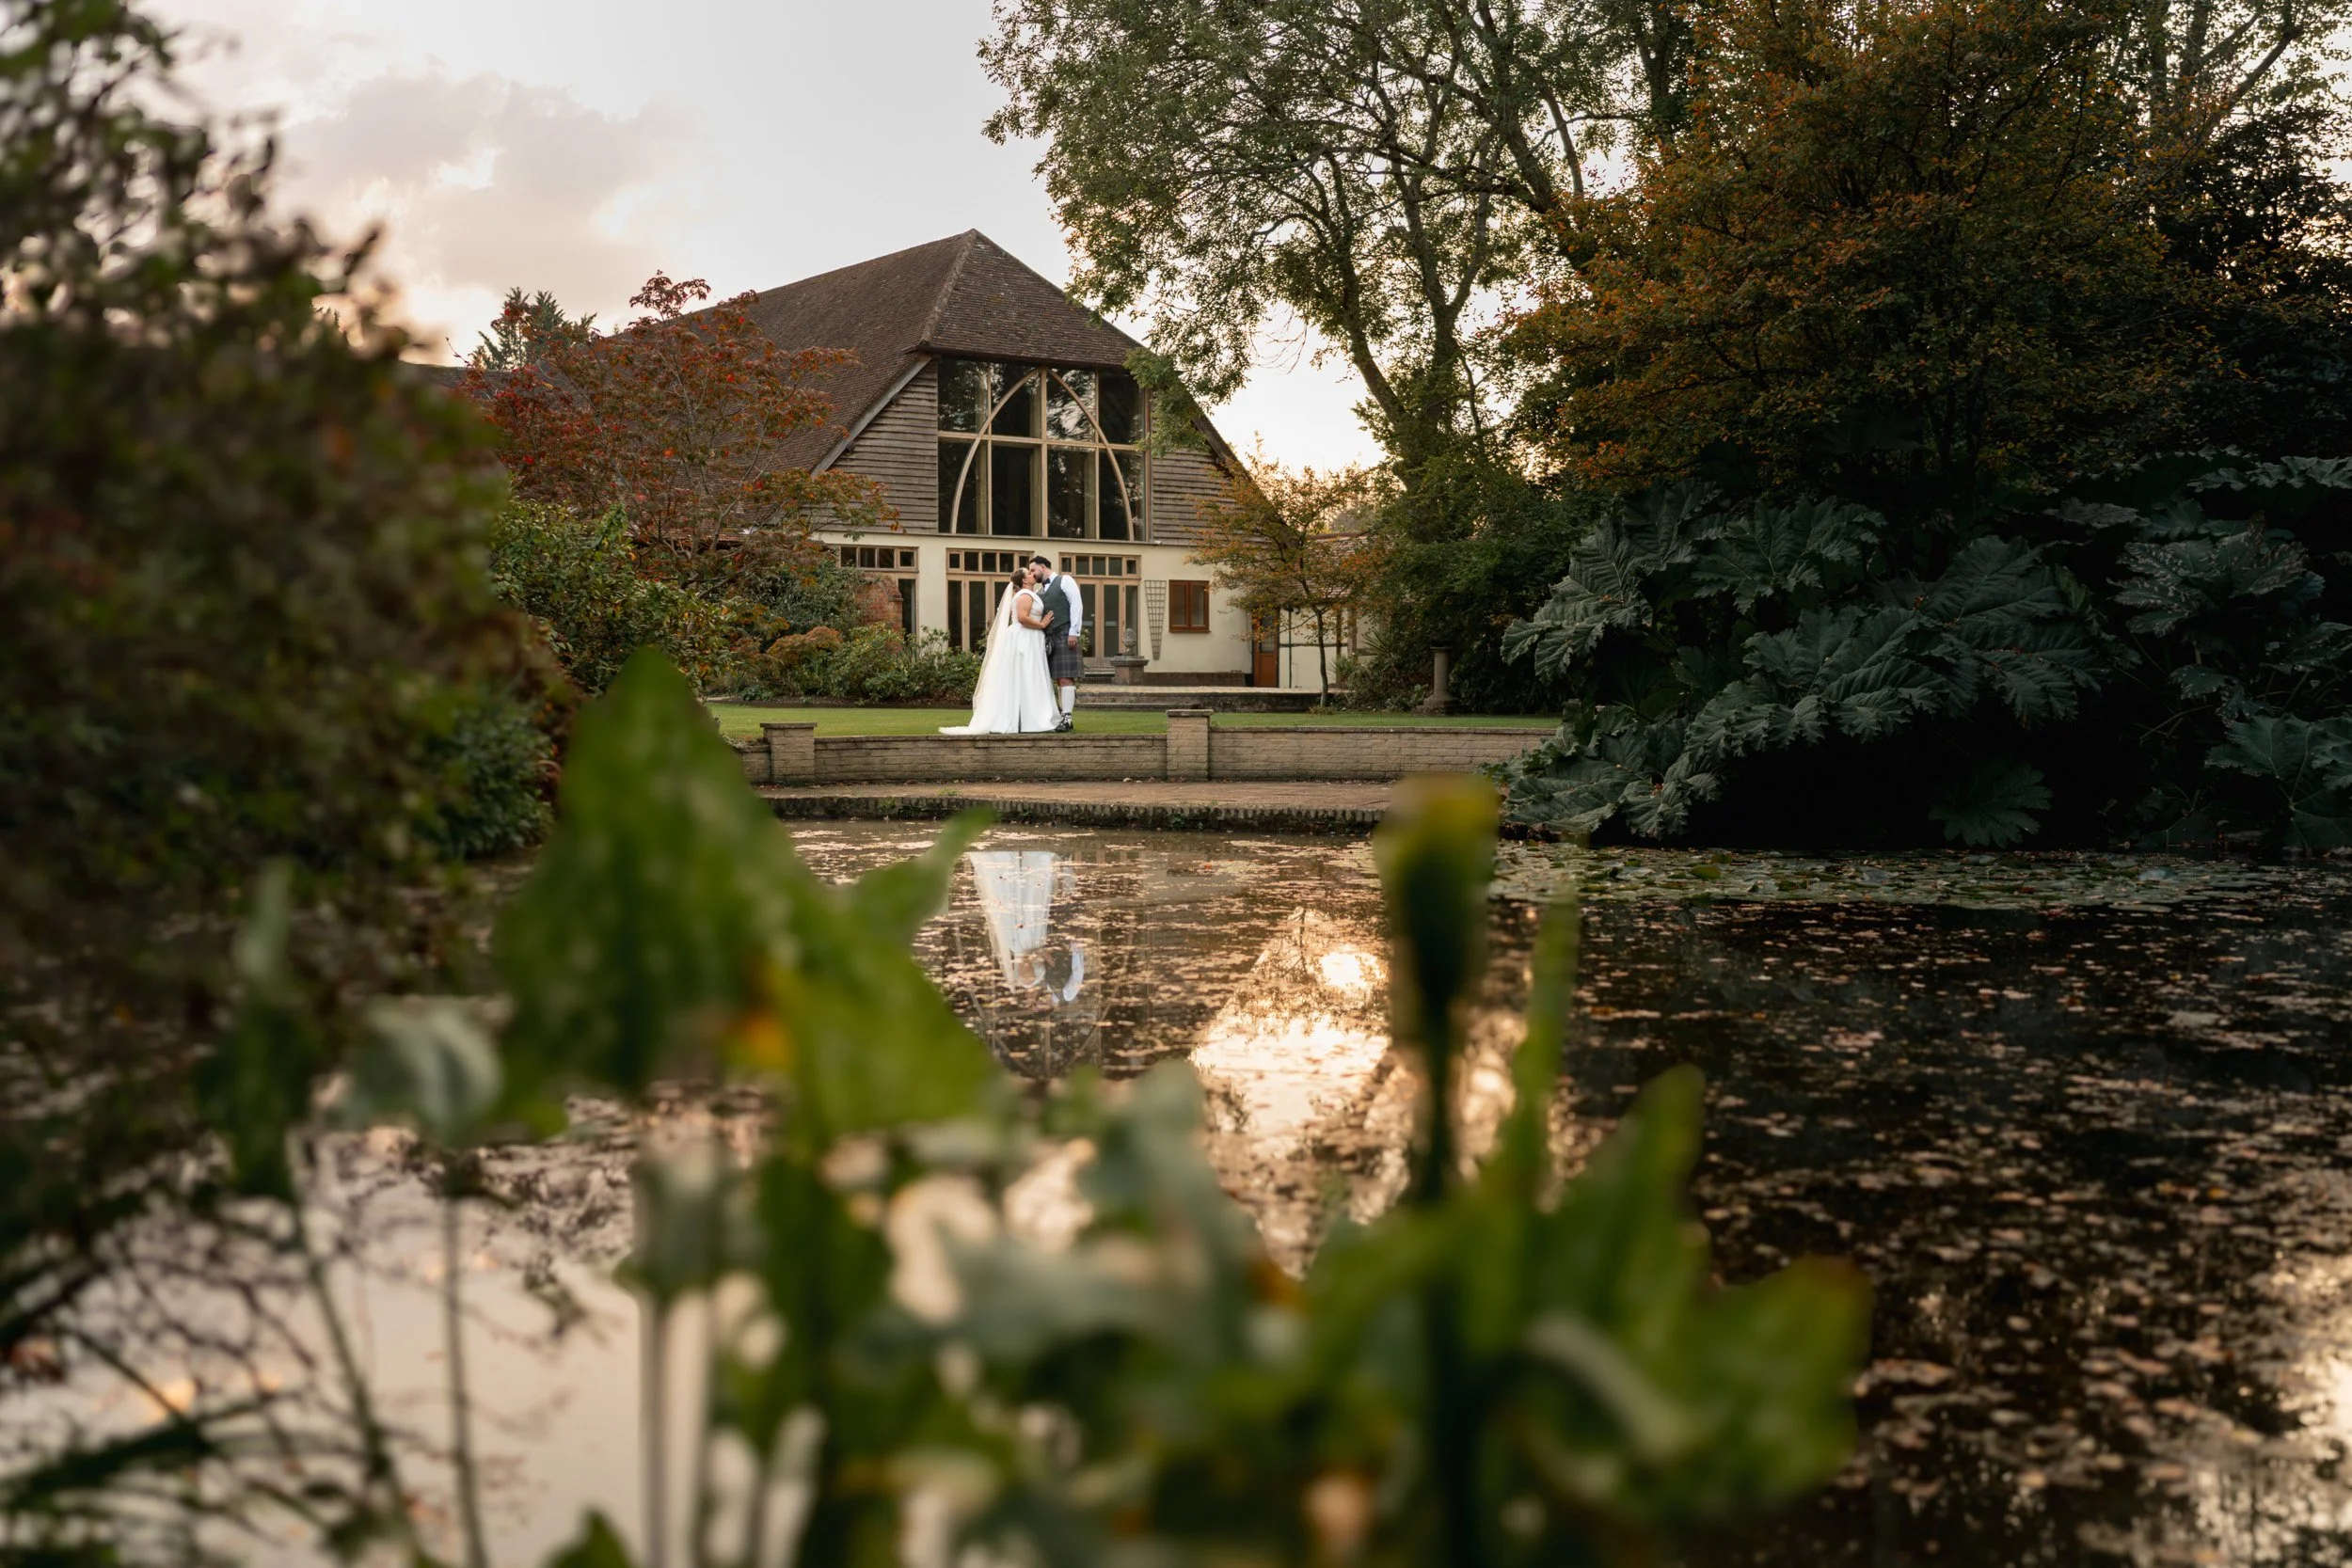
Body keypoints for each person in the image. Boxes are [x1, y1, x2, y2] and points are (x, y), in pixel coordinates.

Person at [939, 563, 1060, 734]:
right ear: (1025, 581)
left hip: (1030, 638)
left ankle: (1028, 717)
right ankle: (1029, 720)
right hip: (1024, 638)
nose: (1033, 574)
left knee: (1029, 677)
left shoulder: (1028, 593)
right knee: (1026, 675)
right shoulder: (1025, 595)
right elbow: (1023, 618)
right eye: (1029, 573)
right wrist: (1042, 624)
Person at [1027, 553, 1085, 731]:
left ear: (1043, 567)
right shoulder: (1039, 591)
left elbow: (1076, 604)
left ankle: (1067, 718)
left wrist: (1074, 632)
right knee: (1058, 679)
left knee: (1066, 677)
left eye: (1033, 569)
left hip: (1066, 634)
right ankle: (1063, 717)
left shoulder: (1065, 580)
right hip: (1050, 638)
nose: (1031, 574)